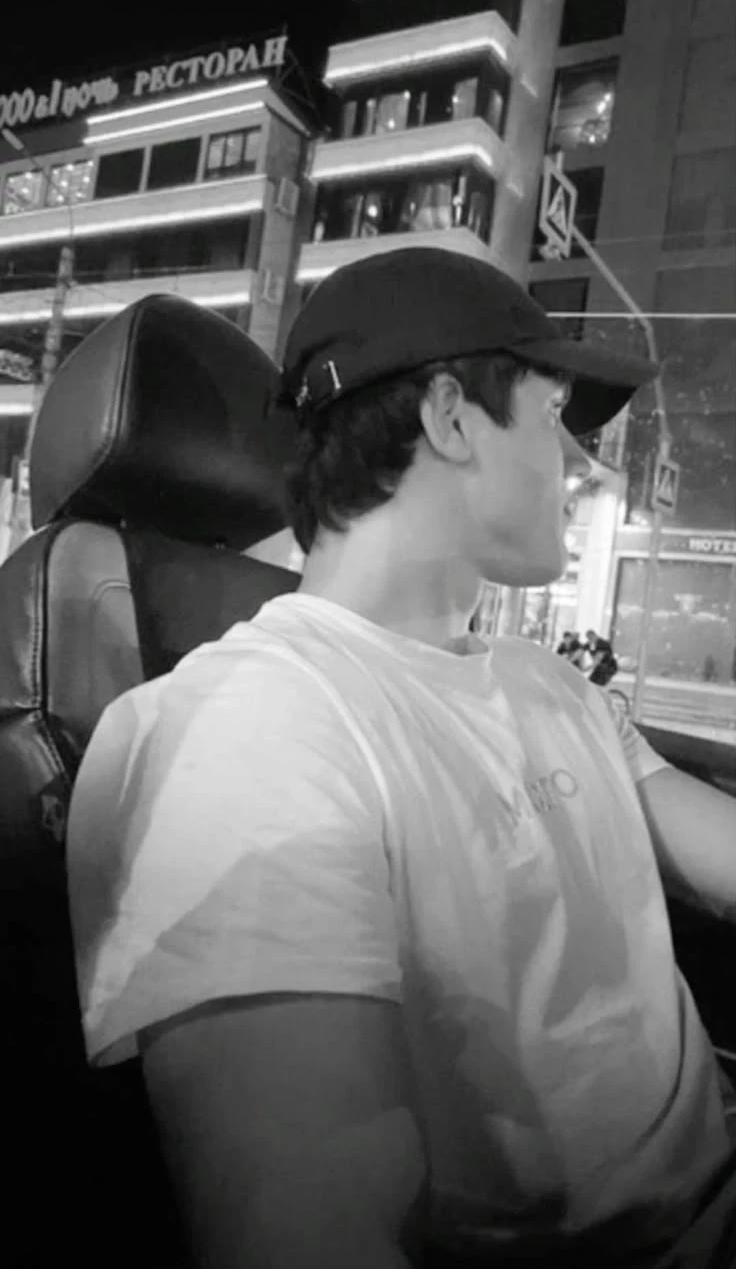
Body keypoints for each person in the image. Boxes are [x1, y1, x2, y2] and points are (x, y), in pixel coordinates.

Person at [66, 248, 736, 1269]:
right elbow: (308, 1232)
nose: (580, 464)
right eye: (554, 415)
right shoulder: (255, 731)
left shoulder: (547, 684)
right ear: (451, 417)